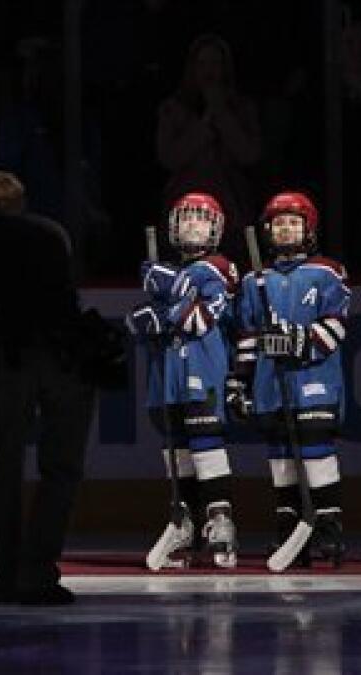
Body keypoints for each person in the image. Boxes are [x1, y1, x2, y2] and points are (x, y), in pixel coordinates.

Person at [0, 171, 96, 605]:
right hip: (64, 357)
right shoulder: (53, 234)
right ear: (23, 201)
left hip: (9, 360)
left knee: (4, 469)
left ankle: (0, 575)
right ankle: (38, 571)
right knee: (61, 468)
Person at [230, 192, 351, 568]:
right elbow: (247, 337)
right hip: (271, 385)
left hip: (314, 381)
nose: (285, 230)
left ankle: (329, 530)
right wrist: (241, 382)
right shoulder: (253, 281)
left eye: (293, 223)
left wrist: (300, 341)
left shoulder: (327, 272)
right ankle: (289, 531)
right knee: (281, 457)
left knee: (316, 452)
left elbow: (336, 326)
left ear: (309, 228)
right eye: (278, 224)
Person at [127, 192, 240, 571]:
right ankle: (184, 523)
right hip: (166, 377)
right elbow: (150, 325)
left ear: (216, 228)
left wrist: (167, 301)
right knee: (177, 452)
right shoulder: (169, 275)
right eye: (187, 219)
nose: (193, 225)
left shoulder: (219, 269)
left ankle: (220, 521)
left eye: (202, 220)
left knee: (206, 443)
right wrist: (147, 321)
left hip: (204, 372)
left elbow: (200, 319)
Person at [156, 34, 261, 264]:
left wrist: (222, 114)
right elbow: (169, 157)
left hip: (232, 212)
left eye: (215, 63)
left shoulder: (242, 108)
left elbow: (249, 154)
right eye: (202, 63)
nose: (209, 71)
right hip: (186, 210)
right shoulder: (172, 109)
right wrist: (204, 123)